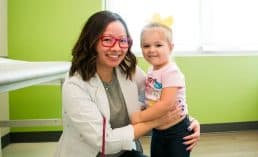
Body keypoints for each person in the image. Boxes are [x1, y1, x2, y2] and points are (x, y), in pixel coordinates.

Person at [54, 10, 200, 157]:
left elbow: (157, 97)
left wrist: (185, 120)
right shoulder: (75, 85)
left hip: (124, 152)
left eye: (122, 40)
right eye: (107, 40)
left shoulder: (127, 68)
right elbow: (106, 143)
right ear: (92, 41)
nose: (117, 48)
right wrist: (154, 122)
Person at [131, 23, 191, 157]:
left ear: (170, 47)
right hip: (158, 129)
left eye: (158, 45)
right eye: (146, 46)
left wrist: (140, 117)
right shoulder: (152, 70)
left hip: (177, 130)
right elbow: (150, 96)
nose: (151, 50)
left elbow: (166, 104)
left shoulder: (171, 71)